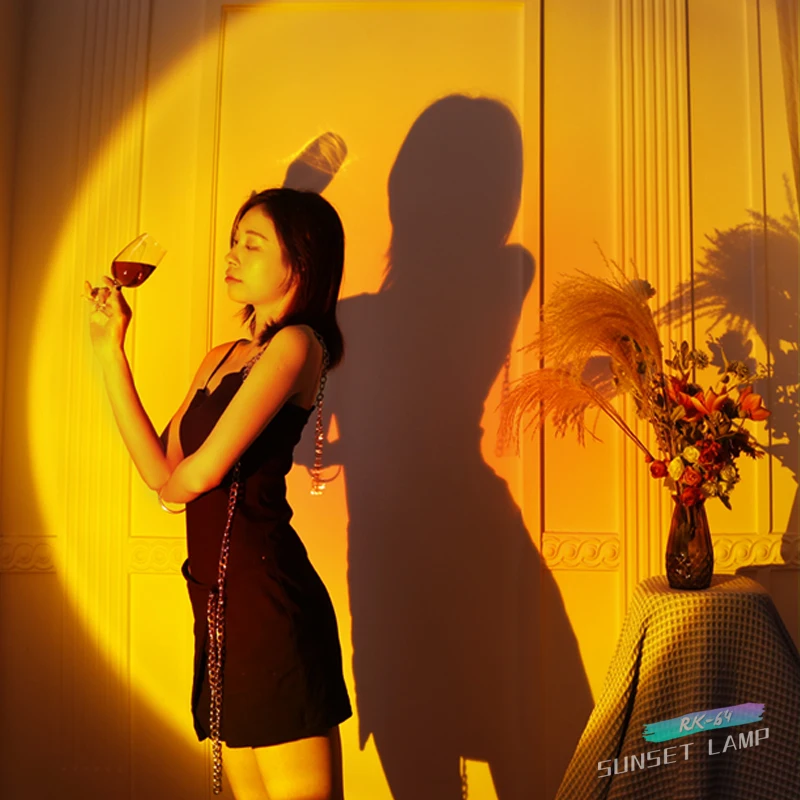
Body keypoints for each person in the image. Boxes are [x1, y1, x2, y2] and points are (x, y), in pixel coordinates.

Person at [83, 188, 352, 800]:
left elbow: (199, 475)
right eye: (234, 241)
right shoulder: (221, 356)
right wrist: (110, 351)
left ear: (300, 261)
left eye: (251, 245)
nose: (231, 255)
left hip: (268, 600)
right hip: (215, 601)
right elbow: (161, 468)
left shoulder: (298, 344)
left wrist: (172, 490)